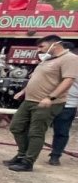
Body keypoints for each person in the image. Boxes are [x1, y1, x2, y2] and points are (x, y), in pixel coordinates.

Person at [6, 35, 78, 172]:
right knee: (16, 126)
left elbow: (68, 81)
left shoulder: (70, 59)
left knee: (36, 132)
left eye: (42, 46)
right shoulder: (47, 59)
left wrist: (50, 98)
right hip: (30, 100)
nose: (39, 50)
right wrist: (23, 92)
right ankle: (22, 155)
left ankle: (28, 162)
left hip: (46, 103)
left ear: (55, 45)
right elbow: (38, 78)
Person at [48, 43, 78, 166]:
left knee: (61, 131)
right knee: (36, 129)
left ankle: (55, 156)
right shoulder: (54, 64)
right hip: (49, 101)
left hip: (68, 103)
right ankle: (27, 154)